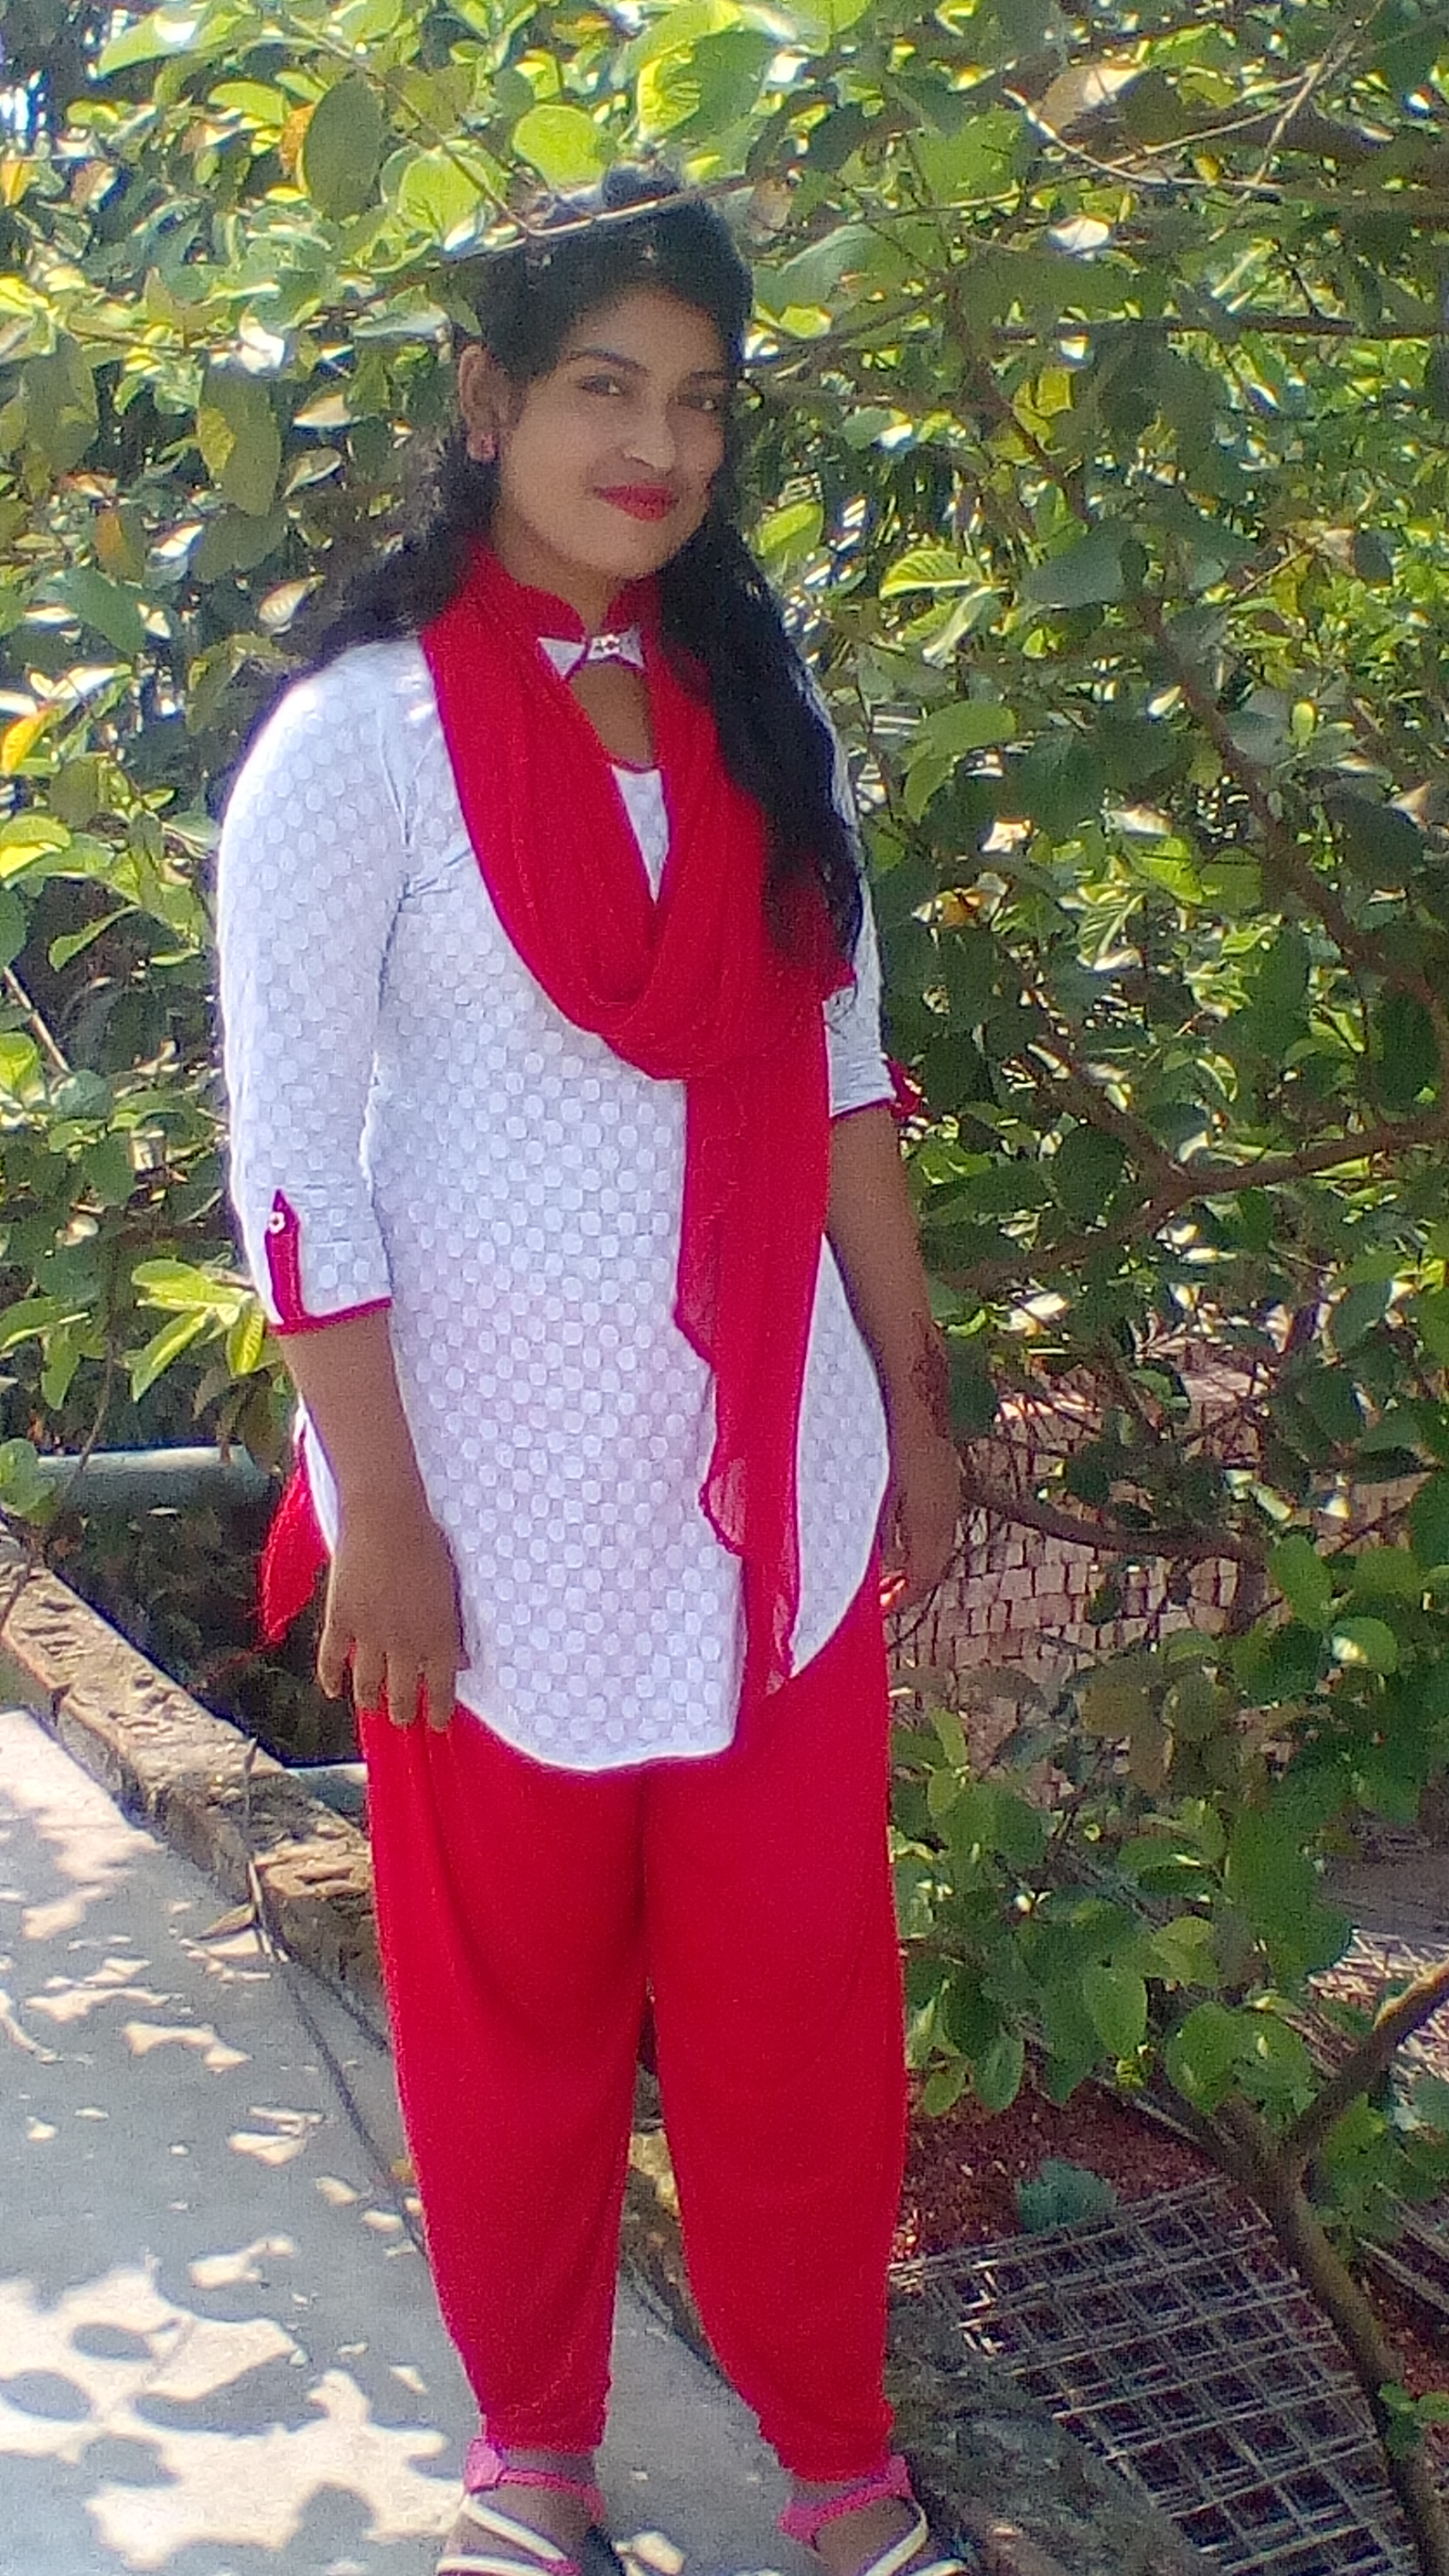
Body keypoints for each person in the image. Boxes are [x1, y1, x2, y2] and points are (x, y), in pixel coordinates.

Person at [217, 166, 968, 2576]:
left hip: (769, 1495)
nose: (656, 449)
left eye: (702, 403)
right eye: (603, 389)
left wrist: (913, 1400)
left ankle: (837, 2462)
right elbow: (292, 1169)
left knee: (797, 2016)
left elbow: (840, 1074)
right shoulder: (355, 745)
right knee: (508, 2014)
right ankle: (533, 2443)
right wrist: (385, 1519)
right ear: (487, 401)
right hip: (478, 1519)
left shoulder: (764, 714)